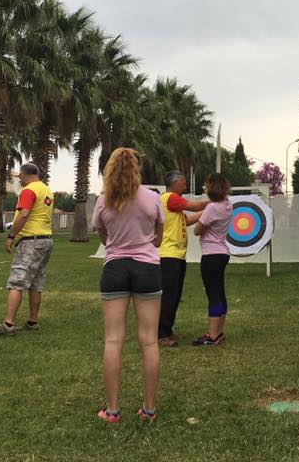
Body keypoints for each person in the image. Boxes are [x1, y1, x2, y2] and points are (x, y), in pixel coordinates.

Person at [91, 147, 164, 423]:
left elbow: (103, 236)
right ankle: (149, 410)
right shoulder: (152, 198)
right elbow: (158, 236)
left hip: (115, 269)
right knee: (149, 341)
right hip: (147, 268)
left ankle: (112, 411)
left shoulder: (103, 201)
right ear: (138, 168)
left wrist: (117, 241)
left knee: (113, 340)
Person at [0, 162, 54, 335]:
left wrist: (11, 236)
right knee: (36, 283)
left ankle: (8, 324)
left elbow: (24, 214)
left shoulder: (28, 190)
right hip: (46, 240)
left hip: (31, 241)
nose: (20, 181)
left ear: (23, 175)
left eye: (20, 178)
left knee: (17, 281)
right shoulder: (47, 190)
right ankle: (32, 321)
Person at [158, 170, 209, 347]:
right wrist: (215, 200)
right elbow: (195, 206)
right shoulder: (170, 198)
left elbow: (187, 220)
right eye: (183, 183)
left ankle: (166, 330)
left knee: (175, 294)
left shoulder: (174, 205)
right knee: (169, 295)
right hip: (169, 255)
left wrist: (209, 211)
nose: (185, 186)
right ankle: (162, 333)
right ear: (175, 183)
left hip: (176, 255)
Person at [192, 172, 232, 347]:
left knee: (213, 294)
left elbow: (197, 230)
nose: (205, 187)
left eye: (206, 185)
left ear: (211, 187)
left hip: (211, 255)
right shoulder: (227, 204)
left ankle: (212, 335)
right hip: (222, 253)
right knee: (220, 292)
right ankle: (219, 331)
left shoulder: (212, 208)